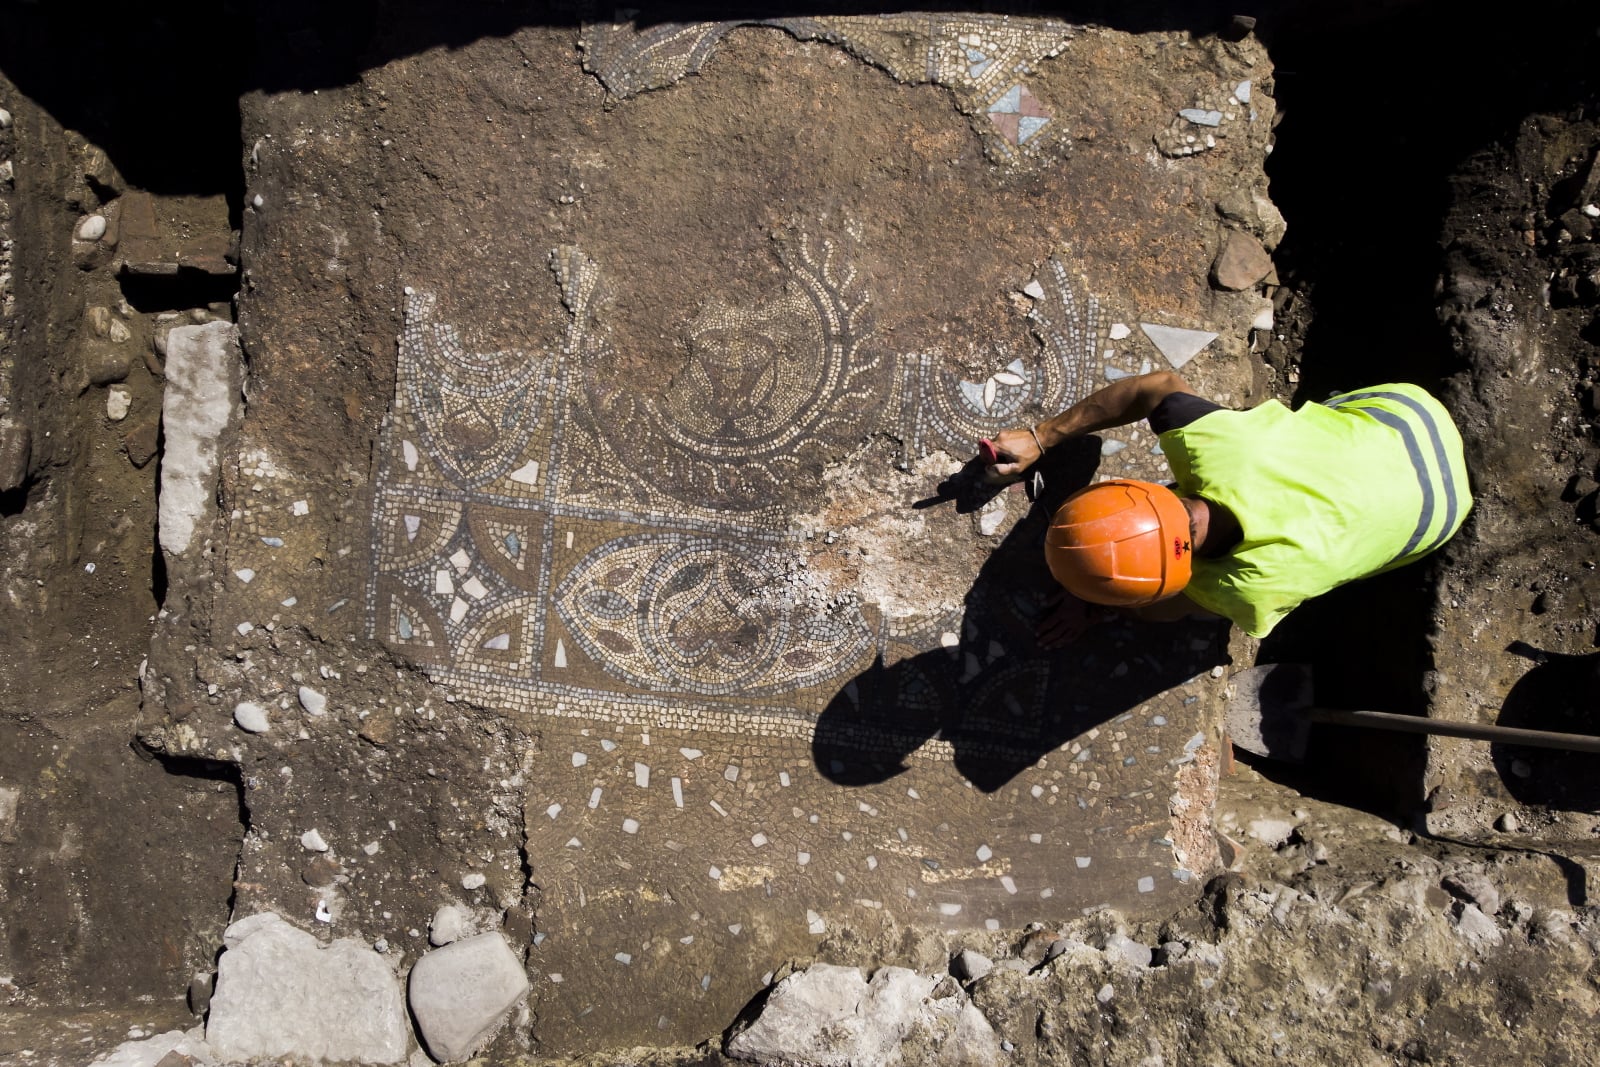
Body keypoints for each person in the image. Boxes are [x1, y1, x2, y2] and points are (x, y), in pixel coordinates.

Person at [985, 371, 1472, 645]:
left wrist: (1098, 600)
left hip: (1441, 514)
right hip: (1412, 416)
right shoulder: (1216, 445)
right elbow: (1155, 387)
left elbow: (1160, 611)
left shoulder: (1246, 593)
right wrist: (1039, 438)